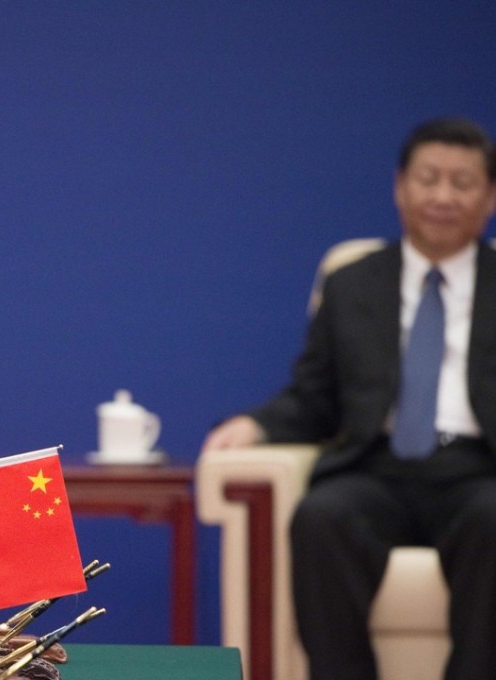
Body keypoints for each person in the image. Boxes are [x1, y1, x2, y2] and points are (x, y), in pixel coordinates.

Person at [202, 117, 496, 680]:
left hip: (477, 471)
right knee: (320, 517)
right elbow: (314, 397)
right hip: (377, 467)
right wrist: (256, 426)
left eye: (462, 183)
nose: (442, 196)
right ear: (399, 187)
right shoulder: (352, 282)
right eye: (428, 178)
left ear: (488, 200)